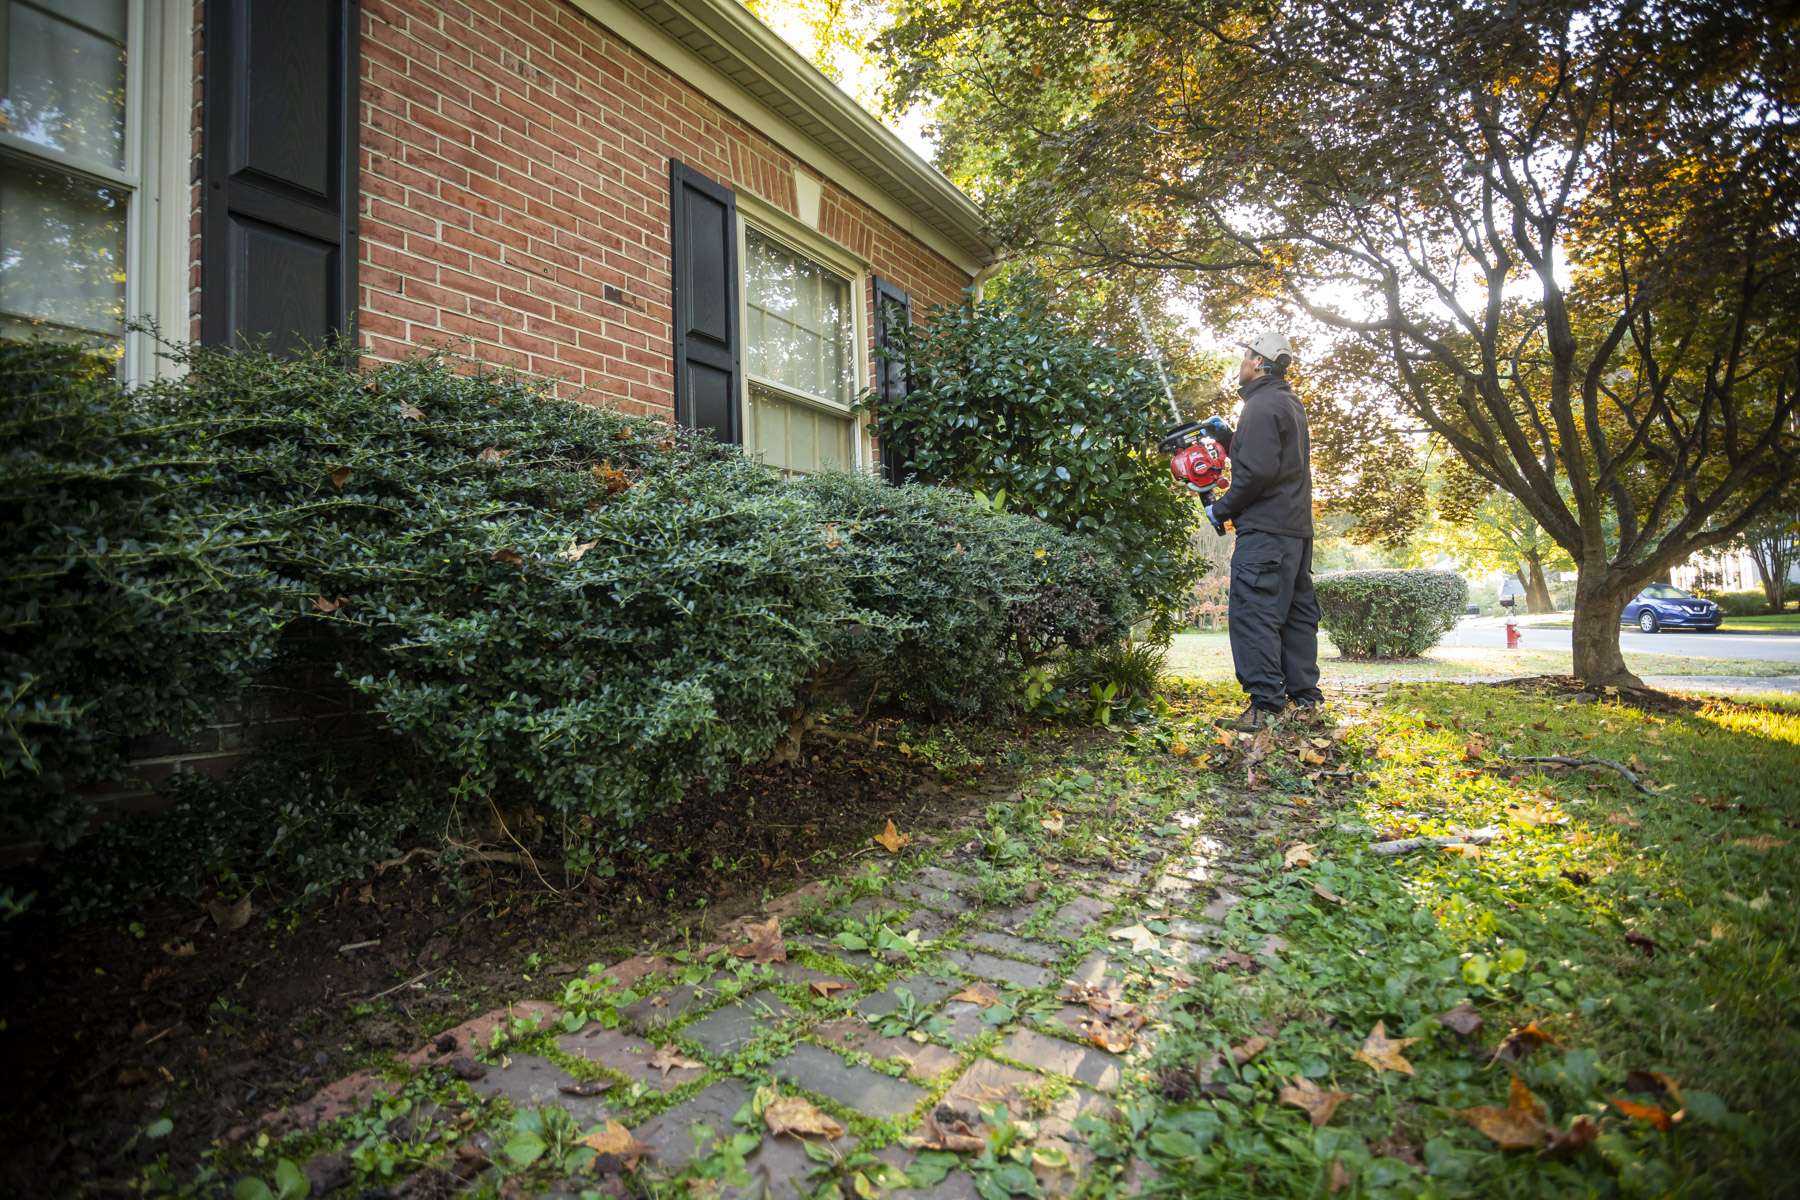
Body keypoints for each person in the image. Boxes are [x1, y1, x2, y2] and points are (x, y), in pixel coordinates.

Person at [1202, 331, 1323, 732]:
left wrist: (1221, 509)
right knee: (1293, 617)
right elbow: (1271, 458)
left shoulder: (1259, 406)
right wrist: (1229, 440)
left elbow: (1256, 472)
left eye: (1245, 356)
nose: (1241, 363)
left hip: (1265, 533)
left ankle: (1265, 707)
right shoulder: (1287, 403)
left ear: (1257, 362)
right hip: (1294, 533)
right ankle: (1305, 702)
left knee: (1254, 615)